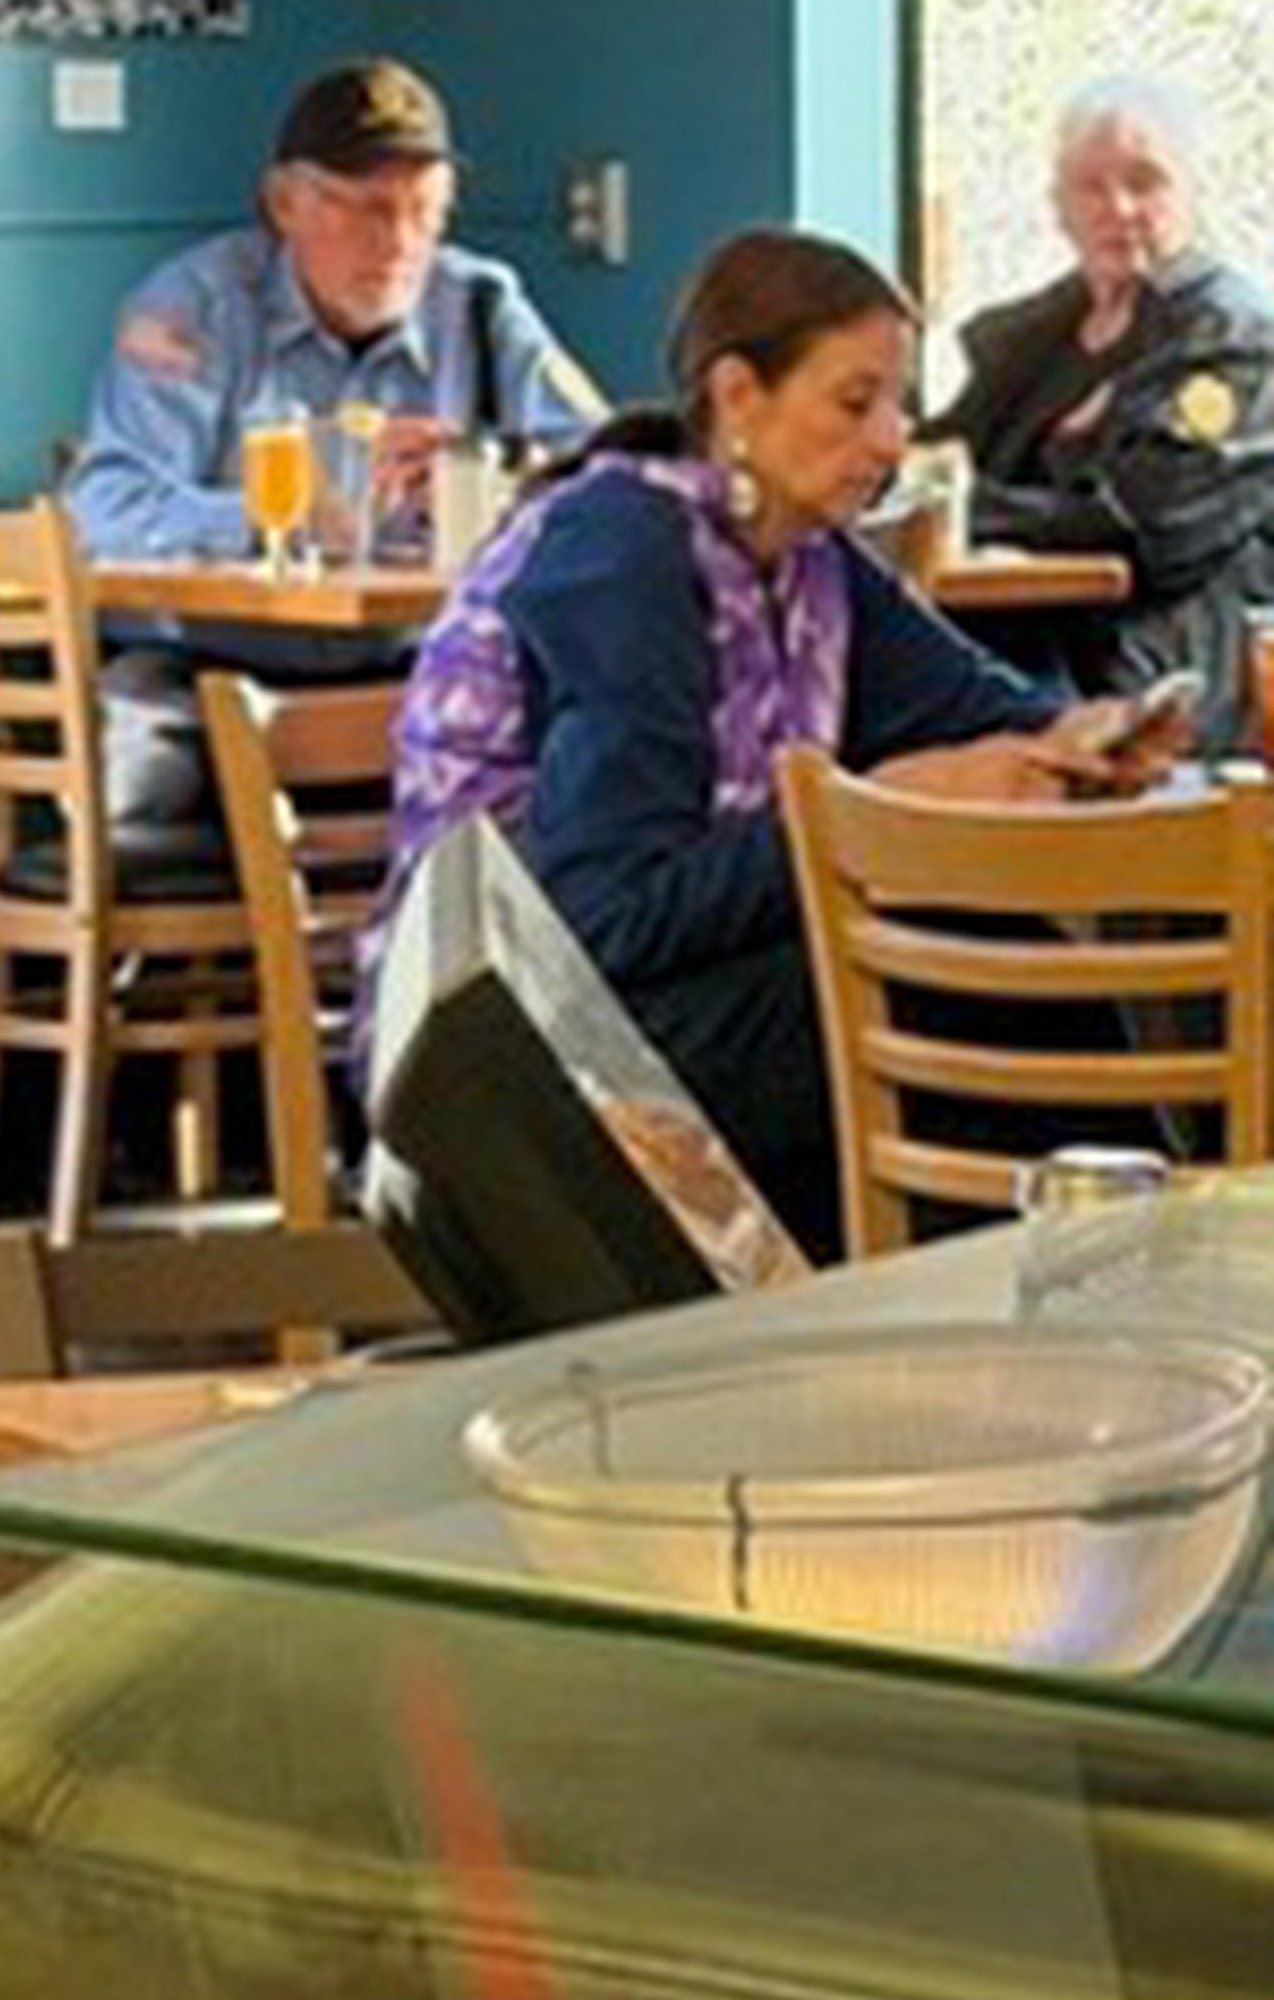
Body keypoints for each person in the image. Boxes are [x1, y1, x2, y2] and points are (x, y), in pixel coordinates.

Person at [380, 224, 1175, 1254]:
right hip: (522, 1053)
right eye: (856, 402)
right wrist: (877, 807)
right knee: (931, 994)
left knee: (983, 964)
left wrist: (1087, 735)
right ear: (738, 396)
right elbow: (607, 917)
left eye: (899, 403)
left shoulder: (810, 565)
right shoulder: (623, 551)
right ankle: (1097, 1293)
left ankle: (1111, 1285)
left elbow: (986, 703)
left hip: (664, 1001)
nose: (892, 440)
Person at [66, 58, 605, 832]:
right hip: (203, 677)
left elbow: (608, 476)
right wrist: (272, 514)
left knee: (582, 764)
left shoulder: (482, 305)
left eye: (425, 213)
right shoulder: (197, 306)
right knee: (141, 778)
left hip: (428, 668)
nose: (400, 243)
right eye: (369, 209)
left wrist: (489, 468)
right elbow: (99, 507)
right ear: (285, 203)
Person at [941, 73, 1274, 748]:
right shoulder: (1029, 343)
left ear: (1191, 191)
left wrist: (968, 507)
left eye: (1144, 181)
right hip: (1004, 653)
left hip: (1155, 682)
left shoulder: (1233, 340)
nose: (1117, 207)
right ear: (1058, 204)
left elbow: (1151, 527)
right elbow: (925, 470)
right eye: (1090, 186)